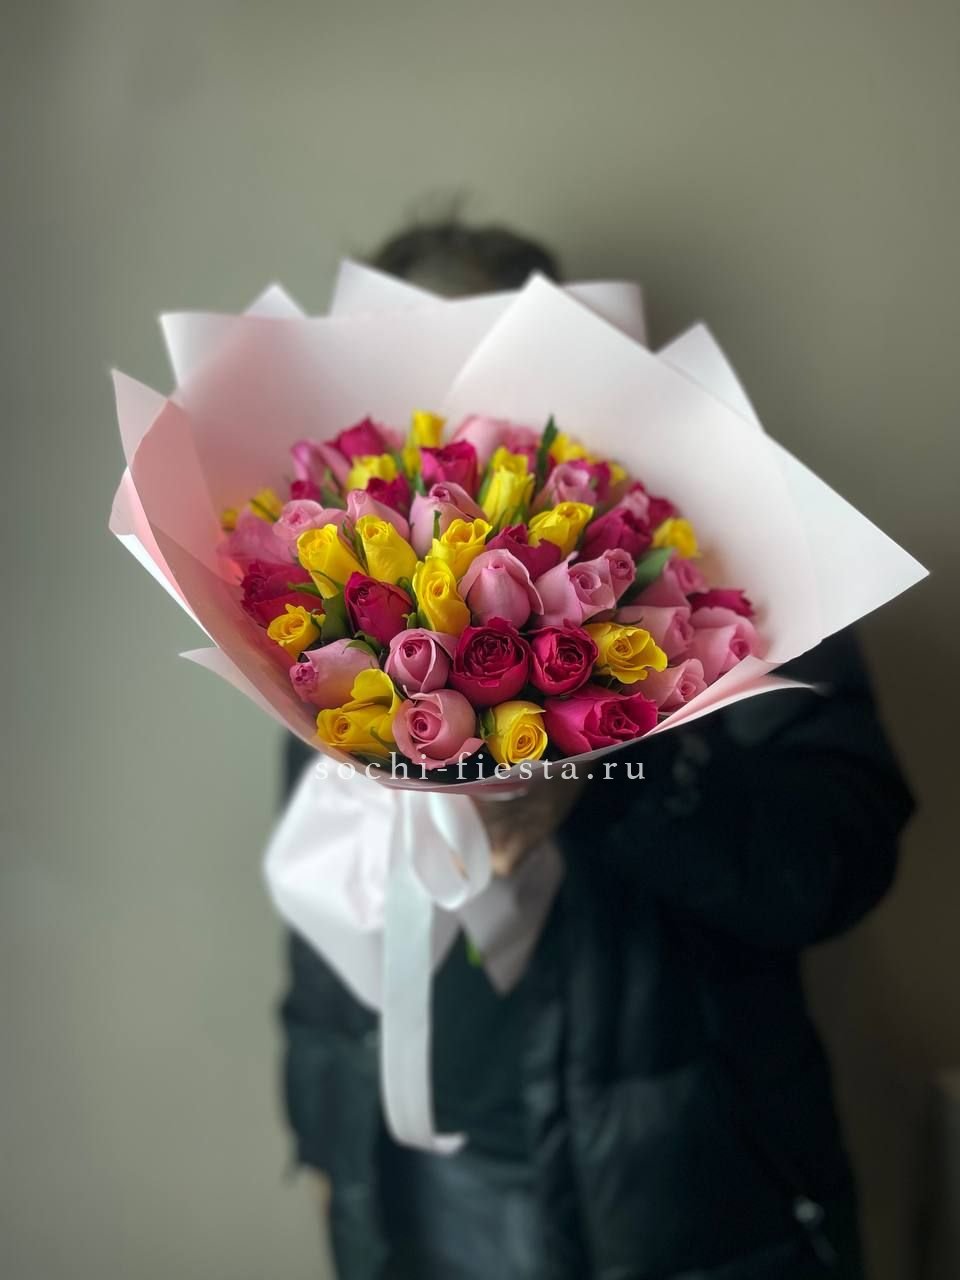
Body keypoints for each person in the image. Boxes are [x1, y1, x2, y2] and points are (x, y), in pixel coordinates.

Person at [278, 220, 914, 1279]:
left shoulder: (728, 547)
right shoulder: (330, 588)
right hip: (429, 1201)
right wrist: (324, 1142)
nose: (448, 431)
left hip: (700, 1191)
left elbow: (837, 856)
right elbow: (315, 903)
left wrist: (611, 776)